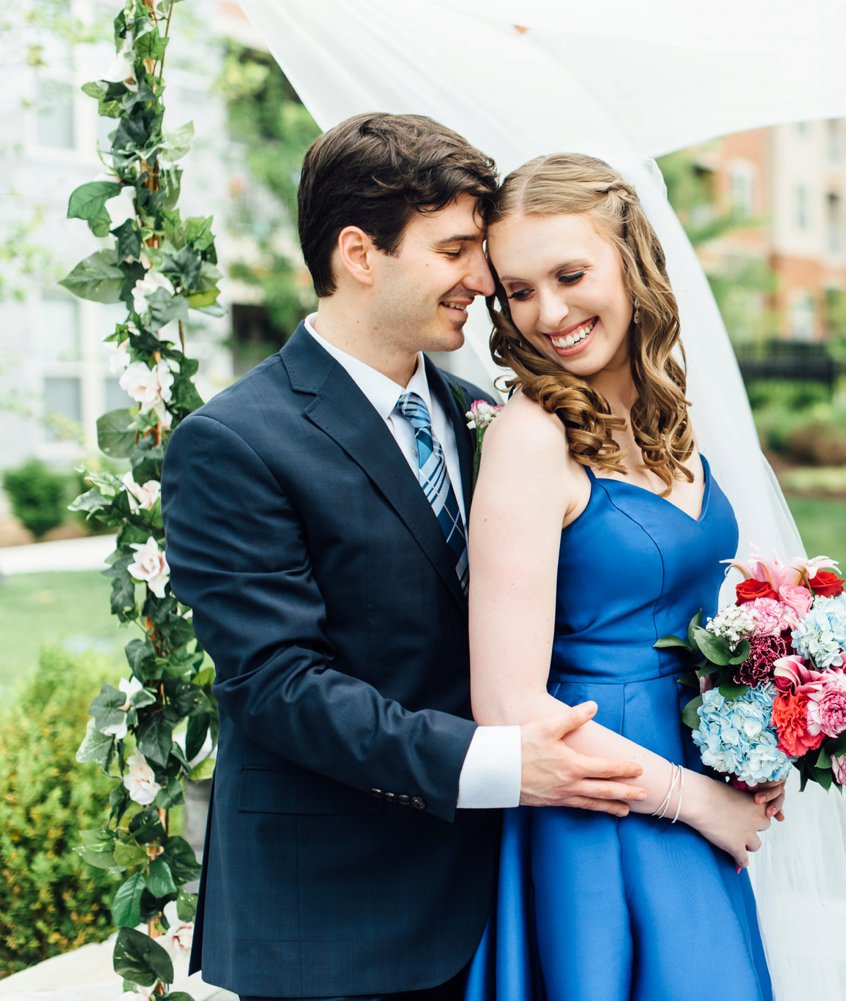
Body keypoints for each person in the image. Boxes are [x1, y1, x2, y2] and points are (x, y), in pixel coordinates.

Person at [160, 114, 648, 1001]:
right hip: (339, 922)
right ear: (359, 252)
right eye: (457, 248)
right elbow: (278, 686)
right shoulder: (232, 442)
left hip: (509, 896)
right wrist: (504, 763)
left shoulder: (493, 421)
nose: (484, 278)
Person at [463, 152, 784, 1000]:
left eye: (570, 274)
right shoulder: (530, 437)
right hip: (600, 817)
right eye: (519, 291)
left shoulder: (664, 412)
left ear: (631, 259)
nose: (549, 313)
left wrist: (759, 729)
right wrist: (697, 801)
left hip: (687, 790)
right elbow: (509, 708)